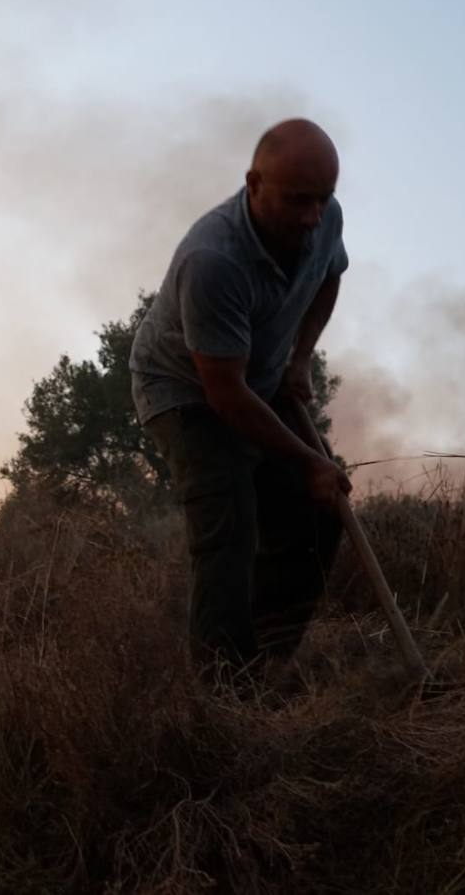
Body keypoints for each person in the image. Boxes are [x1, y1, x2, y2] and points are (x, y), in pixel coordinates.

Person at [129, 118, 351, 675]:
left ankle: (268, 659)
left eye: (322, 200)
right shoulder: (213, 261)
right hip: (185, 391)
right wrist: (308, 461)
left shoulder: (324, 220)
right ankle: (222, 696)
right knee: (229, 525)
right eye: (298, 201)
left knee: (322, 511)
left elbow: (330, 275)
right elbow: (225, 397)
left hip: (259, 375)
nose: (312, 217)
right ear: (253, 184)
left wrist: (300, 356)